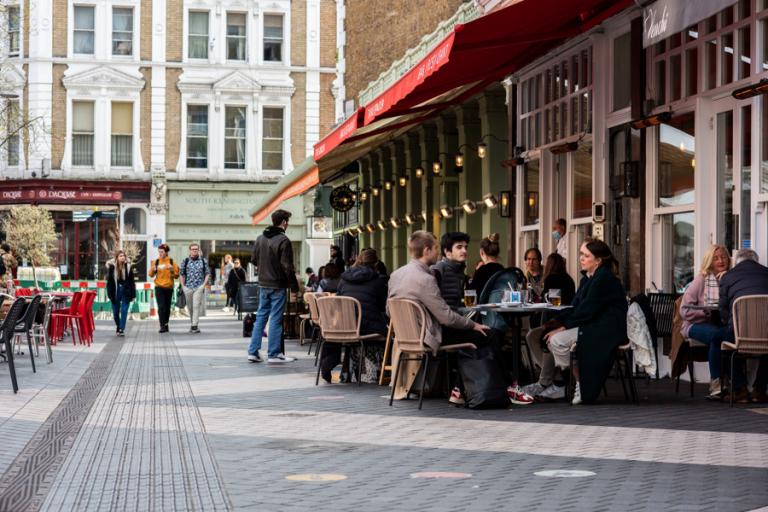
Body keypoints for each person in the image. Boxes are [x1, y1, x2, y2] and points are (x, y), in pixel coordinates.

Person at [388, 231, 533, 406]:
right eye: (435, 248)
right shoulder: (426, 278)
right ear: (426, 250)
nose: (438, 252)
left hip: (406, 337)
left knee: (478, 335)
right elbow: (446, 317)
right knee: (489, 334)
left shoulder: (396, 275)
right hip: (431, 335)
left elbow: (389, 311)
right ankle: (509, 387)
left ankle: (460, 388)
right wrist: (473, 325)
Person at [542, 239, 627, 405]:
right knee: (540, 336)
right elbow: (576, 307)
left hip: (606, 329)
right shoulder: (588, 279)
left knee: (557, 340)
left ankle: (579, 382)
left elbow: (587, 309)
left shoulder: (603, 279)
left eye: (586, 255)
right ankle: (571, 381)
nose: (581, 258)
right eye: (581, 254)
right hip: (592, 323)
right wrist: (557, 322)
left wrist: (563, 327)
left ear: (598, 260)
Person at [320, 249, 389, 383]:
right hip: (367, 328)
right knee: (390, 334)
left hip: (345, 326)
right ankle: (381, 371)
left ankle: (346, 370)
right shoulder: (377, 281)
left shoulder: (344, 280)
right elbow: (384, 307)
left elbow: (338, 303)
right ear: (375, 265)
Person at [680, 244, 731, 399]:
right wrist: (705, 312)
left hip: (721, 325)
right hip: (695, 325)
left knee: (720, 337)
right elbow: (685, 310)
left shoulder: (731, 279)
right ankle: (718, 383)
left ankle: (722, 384)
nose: (721, 261)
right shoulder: (701, 280)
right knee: (718, 335)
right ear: (710, 261)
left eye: (723, 257)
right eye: (716, 258)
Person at [248, 209, 299, 363]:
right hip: (278, 285)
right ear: (284, 222)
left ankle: (253, 351)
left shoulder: (260, 238)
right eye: (287, 222)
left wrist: (265, 268)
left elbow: (254, 260)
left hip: (263, 284)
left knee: (261, 317)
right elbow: (287, 267)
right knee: (276, 318)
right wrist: (294, 287)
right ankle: (274, 354)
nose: (288, 224)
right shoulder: (283, 240)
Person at [718, 249, 768, 402]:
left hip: (739, 332)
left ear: (736, 262)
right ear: (756, 261)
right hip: (766, 333)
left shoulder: (728, 277)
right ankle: (759, 390)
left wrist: (732, 326)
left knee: (722, 342)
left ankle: (740, 389)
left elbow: (723, 310)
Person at [431, 232, 470, 310]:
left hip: (458, 317)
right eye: (459, 247)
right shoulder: (438, 269)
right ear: (447, 252)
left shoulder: (459, 270)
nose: (464, 251)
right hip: (444, 319)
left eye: (466, 247)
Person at [149, 243, 179, 333]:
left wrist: (172, 270)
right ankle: (162, 325)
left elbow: (177, 275)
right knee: (161, 306)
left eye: (162, 252)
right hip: (159, 287)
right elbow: (150, 275)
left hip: (169, 287)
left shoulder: (172, 262)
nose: (160, 254)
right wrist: (153, 270)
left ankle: (166, 324)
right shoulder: (156, 261)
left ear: (166, 252)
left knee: (167, 307)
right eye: (159, 252)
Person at [180, 243, 209, 334]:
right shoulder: (185, 261)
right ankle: (193, 324)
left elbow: (207, 273)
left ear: (198, 250)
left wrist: (203, 285)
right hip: (188, 287)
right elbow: (182, 274)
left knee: (196, 306)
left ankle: (194, 326)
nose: (195, 250)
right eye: (193, 249)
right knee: (190, 307)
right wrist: (183, 286)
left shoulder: (203, 261)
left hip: (198, 287)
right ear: (190, 250)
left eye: (196, 249)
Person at [106, 250, 136, 336]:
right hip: (115, 291)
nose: (122, 257)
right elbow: (109, 283)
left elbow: (132, 282)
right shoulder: (112, 267)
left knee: (124, 310)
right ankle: (119, 326)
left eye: (123, 256)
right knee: (115, 313)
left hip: (125, 291)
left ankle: (121, 329)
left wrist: (133, 295)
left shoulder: (128, 267)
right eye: (120, 256)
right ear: (117, 258)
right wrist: (109, 294)